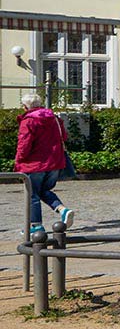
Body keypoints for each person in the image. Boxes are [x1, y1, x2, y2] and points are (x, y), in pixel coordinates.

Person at [14, 93, 73, 234]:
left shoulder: (28, 121)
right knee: (44, 191)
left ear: (25, 106)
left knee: (32, 194)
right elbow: (64, 137)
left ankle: (36, 226)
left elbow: (24, 145)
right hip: (54, 163)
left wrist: (18, 161)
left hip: (34, 164)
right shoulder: (54, 119)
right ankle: (62, 210)